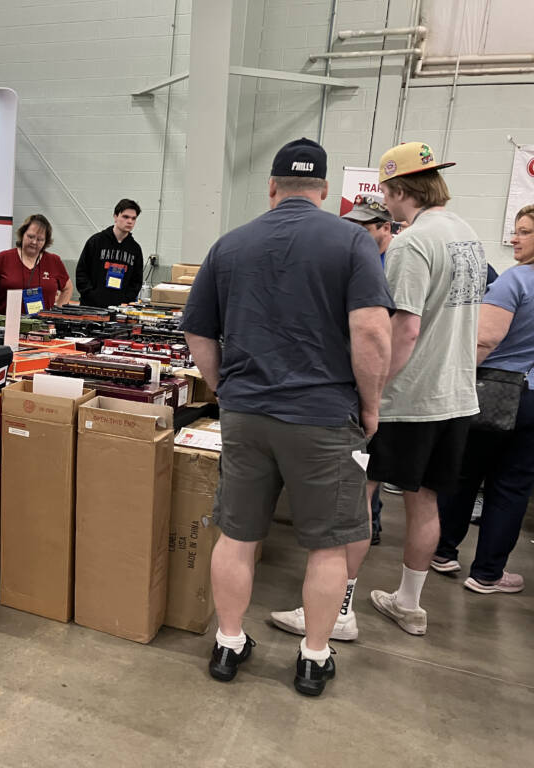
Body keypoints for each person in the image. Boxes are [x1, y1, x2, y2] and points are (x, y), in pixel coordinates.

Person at [182, 138, 393, 696]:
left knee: (237, 534)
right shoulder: (352, 241)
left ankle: (228, 644)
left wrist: (225, 386)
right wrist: (371, 405)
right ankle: (313, 657)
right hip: (323, 416)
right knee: (327, 543)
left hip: (248, 413)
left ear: (271, 187)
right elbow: (372, 331)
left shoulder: (230, 245)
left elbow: (198, 330)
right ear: (323, 191)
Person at [361, 141, 485, 636]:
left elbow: (405, 329)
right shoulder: (466, 234)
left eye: (386, 193)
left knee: (359, 495)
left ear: (397, 190)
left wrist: (373, 390)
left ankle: (337, 608)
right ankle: (409, 604)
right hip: (456, 395)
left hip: (408, 399)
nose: (385, 204)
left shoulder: (412, 242)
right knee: (426, 500)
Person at [431, 203, 534, 594]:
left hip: (492, 390)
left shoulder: (515, 282)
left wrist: (455, 382)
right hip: (532, 401)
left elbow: (484, 339)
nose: (514, 238)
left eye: (524, 232)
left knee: (464, 474)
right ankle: (489, 573)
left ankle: (443, 551)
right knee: (510, 487)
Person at [341, 194, 394, 545]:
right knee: (361, 465)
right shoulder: (360, 260)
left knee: (369, 467)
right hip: (359, 376)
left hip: (384, 381)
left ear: (385, 227)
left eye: (364, 226)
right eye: (353, 225)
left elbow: (382, 331)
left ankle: (367, 526)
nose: (356, 232)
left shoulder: (393, 264)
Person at [0, 214, 73, 314]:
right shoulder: (4, 258)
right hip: (5, 326)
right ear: (22, 234)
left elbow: (68, 288)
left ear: (46, 241)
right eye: (30, 236)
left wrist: (56, 316)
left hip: (42, 327)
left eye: (40, 239)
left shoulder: (54, 261)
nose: (34, 242)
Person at [74, 199, 143, 307]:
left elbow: (136, 281)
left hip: (118, 310)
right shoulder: (96, 241)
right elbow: (81, 272)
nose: (130, 221)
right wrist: (91, 295)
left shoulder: (135, 249)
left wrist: (125, 300)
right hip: (91, 307)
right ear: (115, 216)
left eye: (133, 218)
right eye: (125, 217)